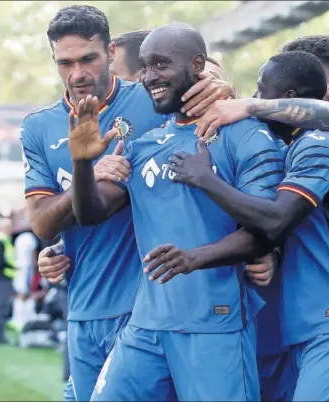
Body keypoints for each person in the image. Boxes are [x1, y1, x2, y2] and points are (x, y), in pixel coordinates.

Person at [22, 6, 235, 401]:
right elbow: (42, 223)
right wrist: (88, 172)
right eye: (65, 63)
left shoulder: (151, 100)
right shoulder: (39, 127)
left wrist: (222, 88)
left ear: (111, 51)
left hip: (151, 302)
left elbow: (211, 94)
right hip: (85, 305)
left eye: (88, 58)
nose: (78, 73)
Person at [192, 35, 329, 402]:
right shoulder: (290, 143)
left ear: (328, 85)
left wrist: (249, 105)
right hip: (313, 312)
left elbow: (281, 214)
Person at [68, 22, 284, 401]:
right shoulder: (144, 144)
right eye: (145, 68)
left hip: (215, 323)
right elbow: (91, 214)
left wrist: (193, 259)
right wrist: (83, 164)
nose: (150, 77)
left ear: (197, 64)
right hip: (145, 325)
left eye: (162, 65)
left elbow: (268, 226)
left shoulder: (246, 135)